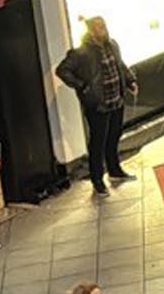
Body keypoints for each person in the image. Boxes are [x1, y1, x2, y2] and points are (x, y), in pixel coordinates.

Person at [56, 16, 137, 195]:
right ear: (91, 30)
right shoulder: (81, 53)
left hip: (116, 99)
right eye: (99, 27)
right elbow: (62, 70)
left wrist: (130, 81)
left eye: (104, 26)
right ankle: (97, 179)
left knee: (114, 135)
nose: (103, 29)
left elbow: (120, 65)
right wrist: (83, 86)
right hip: (98, 103)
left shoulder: (112, 45)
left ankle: (115, 170)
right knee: (98, 141)